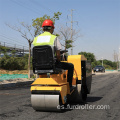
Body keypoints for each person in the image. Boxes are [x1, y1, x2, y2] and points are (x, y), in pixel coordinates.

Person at [32, 19, 74, 90]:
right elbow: (58, 54)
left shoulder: (36, 38)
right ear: (52, 28)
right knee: (70, 66)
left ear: (43, 28)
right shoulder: (54, 38)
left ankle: (43, 84)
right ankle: (69, 86)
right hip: (51, 65)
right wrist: (58, 60)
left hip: (38, 66)